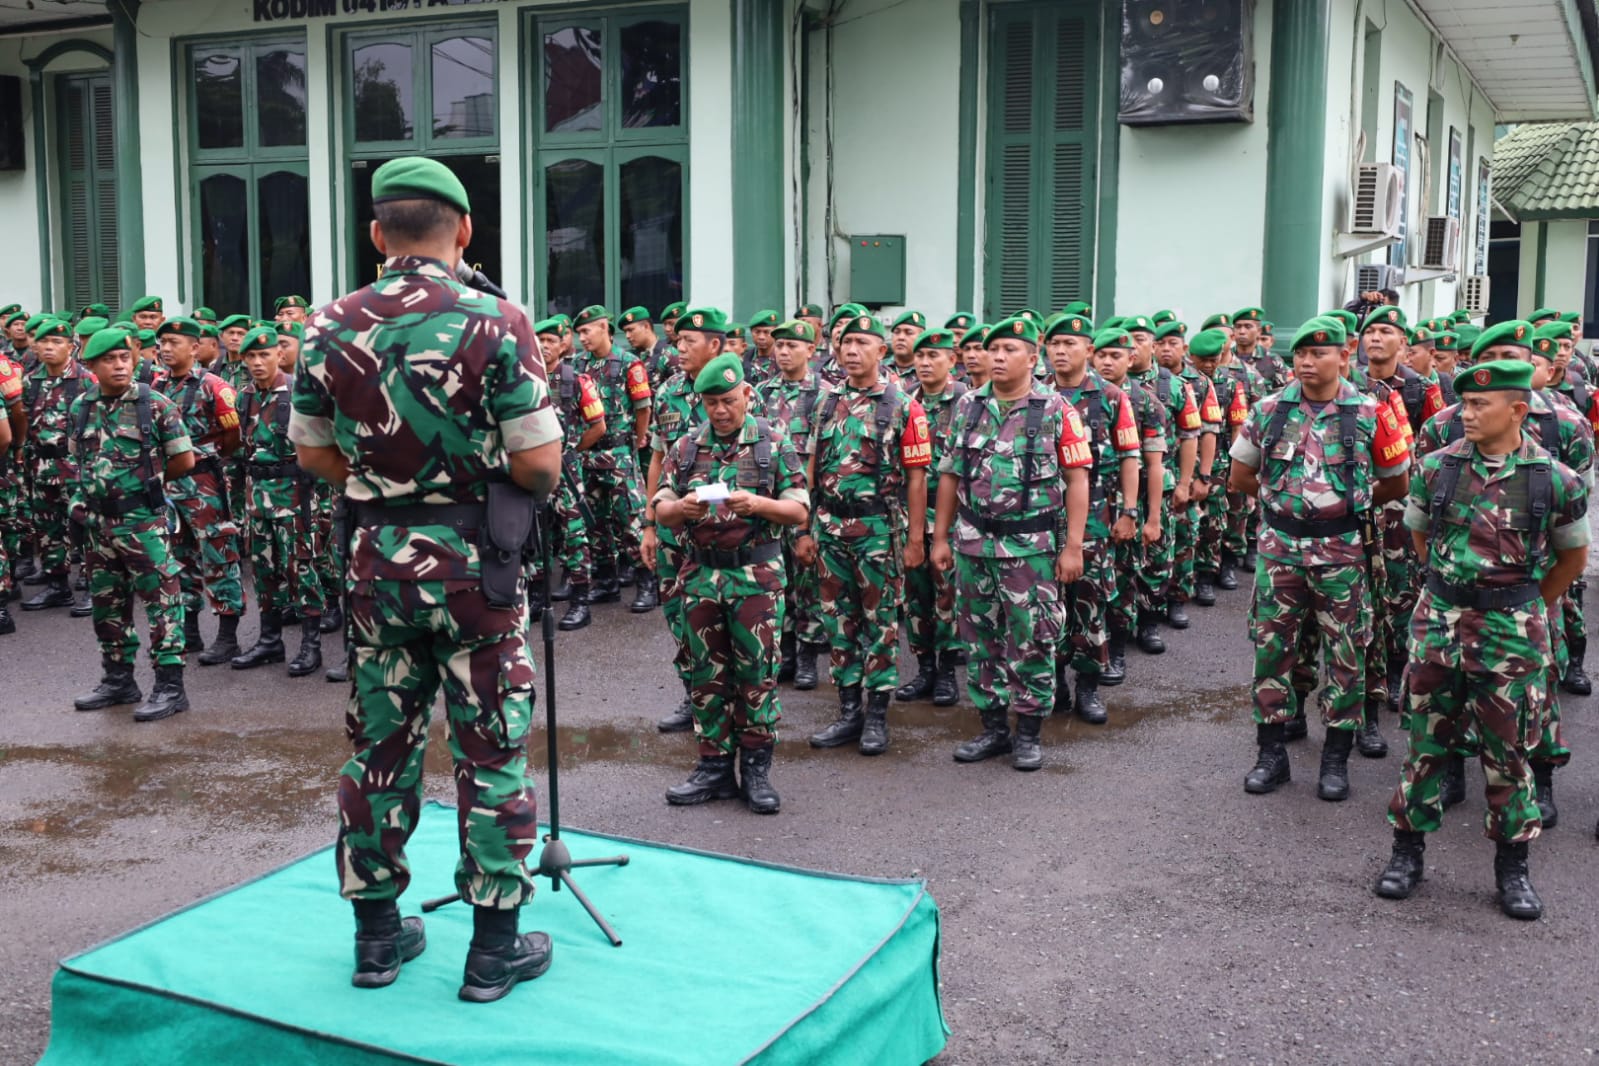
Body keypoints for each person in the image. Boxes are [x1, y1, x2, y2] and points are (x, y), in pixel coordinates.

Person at [289, 156, 564, 1001]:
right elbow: (540, 463)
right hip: (477, 571)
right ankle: (493, 950)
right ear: (465, 230)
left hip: (379, 567)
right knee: (490, 751)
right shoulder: (497, 319)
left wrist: (385, 489)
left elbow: (311, 452)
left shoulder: (329, 324)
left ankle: (376, 941)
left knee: (379, 748)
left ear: (377, 234)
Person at [1375, 359, 1588, 920]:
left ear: (1517, 410)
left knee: (1508, 753)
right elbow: (1421, 538)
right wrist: (1457, 592)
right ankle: (1406, 852)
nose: (1466, 413)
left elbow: (1572, 559)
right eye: (1465, 403)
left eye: (1479, 405)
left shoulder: (1554, 479)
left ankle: (1512, 868)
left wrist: (1522, 605)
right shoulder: (1436, 469)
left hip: (1511, 637)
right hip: (1439, 628)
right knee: (1424, 746)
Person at [1228, 316, 1410, 800]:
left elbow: (1397, 480)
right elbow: (1240, 475)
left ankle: (1335, 760)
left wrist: (1345, 507)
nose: (1306, 362)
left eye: (1318, 353)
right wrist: (1284, 506)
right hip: (1280, 552)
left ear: (1344, 356)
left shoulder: (1371, 411)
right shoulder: (1269, 409)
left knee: (1346, 655)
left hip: (1342, 554)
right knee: (1272, 652)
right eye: (1300, 354)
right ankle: (1271, 755)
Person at [932, 314, 1091, 770]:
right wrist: (940, 538)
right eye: (992, 350)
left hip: (1030, 548)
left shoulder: (1056, 409)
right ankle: (993, 729)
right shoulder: (967, 406)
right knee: (978, 638)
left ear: (1032, 357)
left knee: (1033, 637)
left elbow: (1077, 480)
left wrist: (1073, 546)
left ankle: (1028, 732)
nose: (997, 357)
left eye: (1009, 350)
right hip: (972, 544)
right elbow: (949, 475)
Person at [654, 354, 809, 812]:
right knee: (706, 676)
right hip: (701, 576)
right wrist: (680, 509)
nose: (720, 411)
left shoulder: (772, 444)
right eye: (711, 403)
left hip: (755, 579)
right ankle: (714, 768)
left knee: (756, 674)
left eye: (728, 400)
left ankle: (756, 769)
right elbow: (660, 505)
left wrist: (759, 505)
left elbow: (799, 509)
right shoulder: (687, 447)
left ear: (746, 394)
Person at [804, 312, 932, 756]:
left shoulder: (903, 405)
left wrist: (915, 540)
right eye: (846, 343)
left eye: (862, 343)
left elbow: (917, 479)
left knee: (880, 623)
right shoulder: (825, 402)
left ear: (881, 351)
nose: (852, 351)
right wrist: (805, 526)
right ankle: (848, 712)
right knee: (838, 620)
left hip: (879, 529)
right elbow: (811, 465)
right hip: (830, 527)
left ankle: (876, 715)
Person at [67, 327, 195, 721]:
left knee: (162, 603)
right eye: (109, 360)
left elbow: (184, 460)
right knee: (107, 605)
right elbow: (79, 459)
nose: (120, 365)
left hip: (143, 524)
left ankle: (170, 687)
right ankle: (119, 679)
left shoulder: (154, 404)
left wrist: (146, 489)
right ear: (92, 365)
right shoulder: (82, 406)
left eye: (125, 358)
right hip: (98, 525)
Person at [644, 306, 732, 732]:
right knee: (679, 615)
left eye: (688, 341)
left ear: (714, 345)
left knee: (725, 621)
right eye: (677, 341)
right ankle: (694, 695)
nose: (678, 348)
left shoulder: (738, 392)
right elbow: (657, 459)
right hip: (673, 528)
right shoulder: (668, 392)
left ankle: (731, 702)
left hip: (723, 532)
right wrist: (649, 523)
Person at [1047, 316, 1140, 719]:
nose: (1060, 351)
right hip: (1043, 516)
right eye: (1054, 343)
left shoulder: (1112, 397)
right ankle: (1053, 683)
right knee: (1047, 604)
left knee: (1089, 601)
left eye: (1069, 343)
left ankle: (1087, 686)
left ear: (1088, 349)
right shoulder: (1035, 393)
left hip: (1096, 517)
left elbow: (1130, 457)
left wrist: (1130, 511)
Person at [153, 315, 247, 665]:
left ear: (194, 348)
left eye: (173, 343)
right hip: (170, 484)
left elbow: (233, 435)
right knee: (179, 557)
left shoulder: (214, 386)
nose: (165, 349)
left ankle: (227, 637)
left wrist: (211, 459)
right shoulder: (157, 385)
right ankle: (190, 631)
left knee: (219, 554)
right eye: (162, 343)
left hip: (205, 483)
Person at [232, 327, 326, 675]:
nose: (258, 362)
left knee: (301, 569)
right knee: (264, 571)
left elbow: (322, 447)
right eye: (251, 356)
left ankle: (311, 645)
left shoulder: (300, 393)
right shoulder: (244, 398)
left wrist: (320, 504)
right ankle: (270, 641)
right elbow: (242, 450)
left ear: (279, 355)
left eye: (265, 354)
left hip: (294, 498)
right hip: (258, 499)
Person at [897, 327, 967, 705]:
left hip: (952, 516)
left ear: (951, 360)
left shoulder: (968, 402)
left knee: (948, 594)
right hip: (912, 515)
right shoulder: (905, 402)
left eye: (933, 356)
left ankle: (947, 673)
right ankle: (924, 668)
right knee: (916, 594)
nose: (924, 363)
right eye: (920, 356)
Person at [758, 319, 826, 688]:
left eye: (792, 346)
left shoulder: (824, 395)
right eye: (779, 345)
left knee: (808, 582)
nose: (783, 352)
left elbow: (823, 458)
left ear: (811, 350)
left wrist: (807, 522)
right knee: (776, 579)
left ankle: (808, 656)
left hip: (808, 504)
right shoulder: (762, 392)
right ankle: (784, 653)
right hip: (771, 502)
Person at [572, 305, 654, 609]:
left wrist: (637, 440)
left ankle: (647, 583)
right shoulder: (578, 364)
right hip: (587, 454)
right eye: (579, 333)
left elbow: (643, 408)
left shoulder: (629, 363)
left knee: (630, 520)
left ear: (604, 328)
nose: (582, 338)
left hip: (618, 454)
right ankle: (606, 582)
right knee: (594, 522)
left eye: (586, 331)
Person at [19, 318, 94, 612]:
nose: (49, 347)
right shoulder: (31, 381)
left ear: (71, 347)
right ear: (35, 347)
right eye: (44, 342)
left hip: (75, 466)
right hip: (42, 466)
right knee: (48, 528)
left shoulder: (86, 380)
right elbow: (24, 420)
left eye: (57, 342)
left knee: (85, 526)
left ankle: (94, 584)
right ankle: (57, 585)